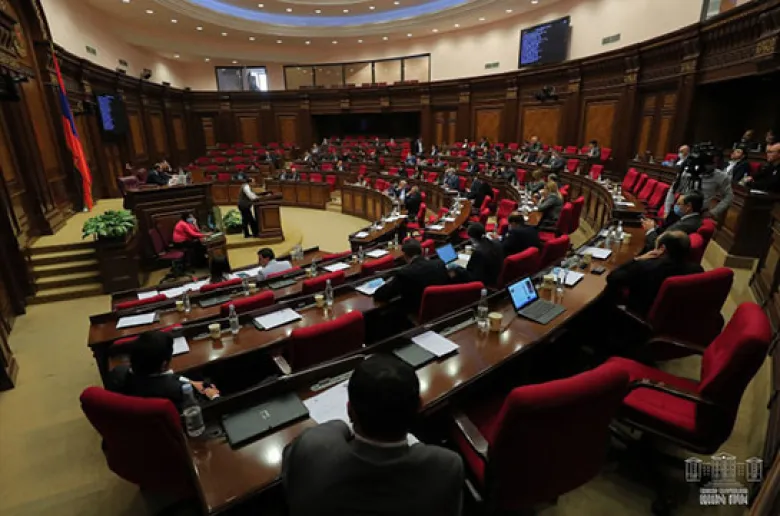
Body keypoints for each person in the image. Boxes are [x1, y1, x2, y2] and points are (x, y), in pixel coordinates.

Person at [281, 353, 463, 516]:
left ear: (350, 411)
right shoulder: (447, 467)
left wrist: (346, 423)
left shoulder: (310, 449)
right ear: (418, 407)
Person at [109, 331, 220, 411]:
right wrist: (214, 397)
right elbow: (200, 411)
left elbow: (164, 378)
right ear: (163, 365)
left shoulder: (118, 373)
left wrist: (190, 382)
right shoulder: (177, 391)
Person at [607, 231, 703, 317]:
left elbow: (612, 278)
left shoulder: (645, 267)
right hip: (679, 320)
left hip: (639, 320)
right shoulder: (697, 271)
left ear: (662, 249)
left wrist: (637, 259)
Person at [374, 240, 451, 313]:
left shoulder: (404, 273)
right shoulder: (439, 263)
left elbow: (379, 295)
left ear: (405, 256)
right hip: (442, 308)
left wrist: (389, 282)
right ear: (422, 251)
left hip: (418, 312)